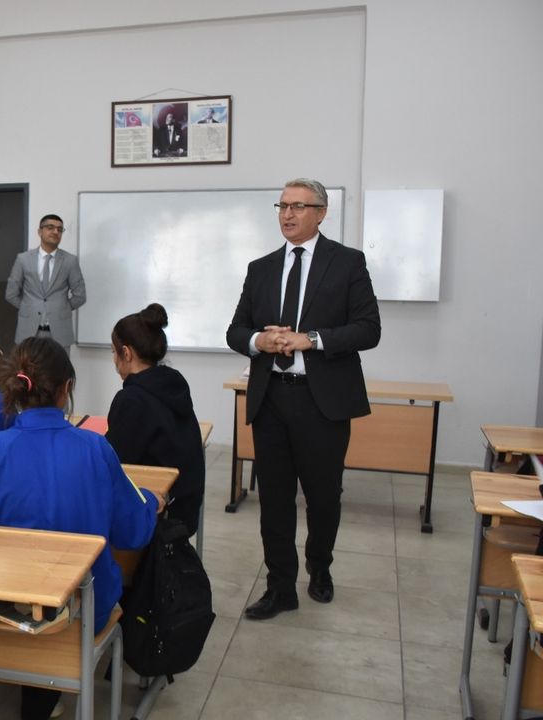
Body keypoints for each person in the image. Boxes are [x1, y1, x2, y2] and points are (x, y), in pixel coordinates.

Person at [0, 336, 160, 720]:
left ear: (14, 388)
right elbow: (135, 532)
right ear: (66, 389)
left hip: (5, 605)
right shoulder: (96, 450)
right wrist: (151, 501)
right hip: (82, 615)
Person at [226, 178, 381, 620]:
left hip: (321, 403)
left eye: (298, 206)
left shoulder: (347, 263)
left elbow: (368, 329)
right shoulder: (261, 268)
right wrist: (259, 340)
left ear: (321, 212)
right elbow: (235, 330)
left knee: (323, 497)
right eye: (282, 206)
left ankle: (320, 566)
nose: (287, 214)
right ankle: (280, 587)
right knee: (274, 499)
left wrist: (310, 339)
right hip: (271, 398)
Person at [106, 303, 205, 535]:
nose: (113, 359)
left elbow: (112, 464)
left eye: (113, 352)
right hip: (185, 510)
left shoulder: (132, 400)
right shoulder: (173, 383)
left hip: (157, 517)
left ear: (126, 353)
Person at [6, 214, 86, 347]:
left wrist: (62, 308)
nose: (56, 232)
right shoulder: (23, 259)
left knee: (59, 362)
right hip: (28, 331)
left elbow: (80, 296)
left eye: (59, 229)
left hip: (60, 333)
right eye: (50, 227)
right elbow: (11, 294)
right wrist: (28, 308)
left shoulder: (70, 261)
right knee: (27, 361)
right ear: (40, 231)